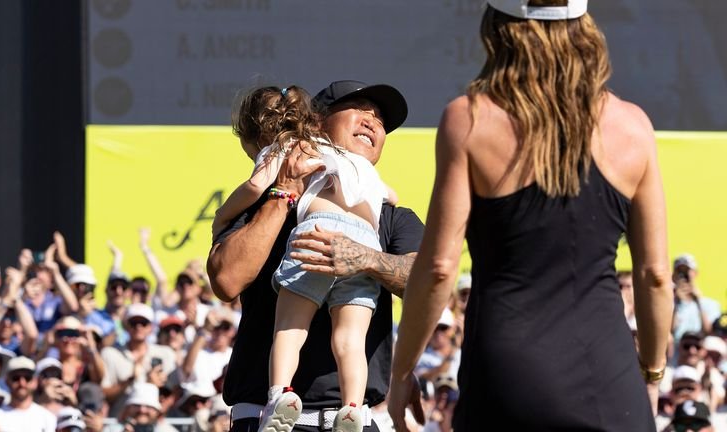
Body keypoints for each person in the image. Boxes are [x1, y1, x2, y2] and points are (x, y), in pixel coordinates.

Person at [388, 1, 672, 430]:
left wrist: (402, 372)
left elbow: (440, 268)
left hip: (506, 376)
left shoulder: (469, 119)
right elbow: (655, 275)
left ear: (498, 30)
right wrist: (651, 374)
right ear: (584, 28)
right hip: (610, 379)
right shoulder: (634, 126)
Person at [207, 80, 424, 432]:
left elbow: (428, 284)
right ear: (317, 122)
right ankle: (282, 394)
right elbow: (226, 281)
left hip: (352, 422)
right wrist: (283, 194)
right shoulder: (266, 202)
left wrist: (366, 258)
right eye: (359, 109)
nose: (372, 121)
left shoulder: (392, 217)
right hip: (265, 420)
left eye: (380, 119)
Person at [0, 356, 56, 432]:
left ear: (35, 381)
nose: (22, 383)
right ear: (7, 381)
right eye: (16, 378)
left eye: (27, 378)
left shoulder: (47, 418)